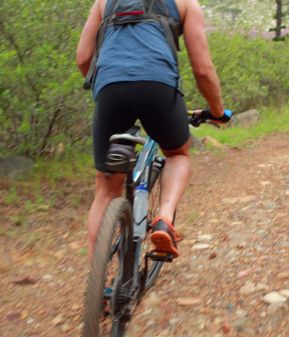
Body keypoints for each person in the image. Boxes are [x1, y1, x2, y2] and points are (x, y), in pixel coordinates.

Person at [76, 0, 227, 259]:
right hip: (158, 86)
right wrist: (217, 111)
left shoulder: (104, 2)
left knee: (106, 185)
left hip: (110, 86)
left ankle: (95, 283)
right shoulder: (186, 3)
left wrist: (110, 88)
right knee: (177, 154)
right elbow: (202, 70)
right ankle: (164, 220)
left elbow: (83, 58)